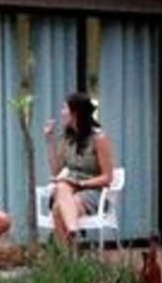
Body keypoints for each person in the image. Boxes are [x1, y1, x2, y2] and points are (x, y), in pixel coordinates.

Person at [43, 92, 115, 249]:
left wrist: (81, 183)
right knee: (62, 185)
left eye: (64, 108)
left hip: (93, 192)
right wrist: (49, 140)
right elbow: (56, 171)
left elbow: (107, 178)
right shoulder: (66, 139)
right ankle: (73, 232)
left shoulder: (99, 139)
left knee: (58, 209)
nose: (61, 113)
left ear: (75, 113)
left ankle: (67, 257)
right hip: (69, 190)